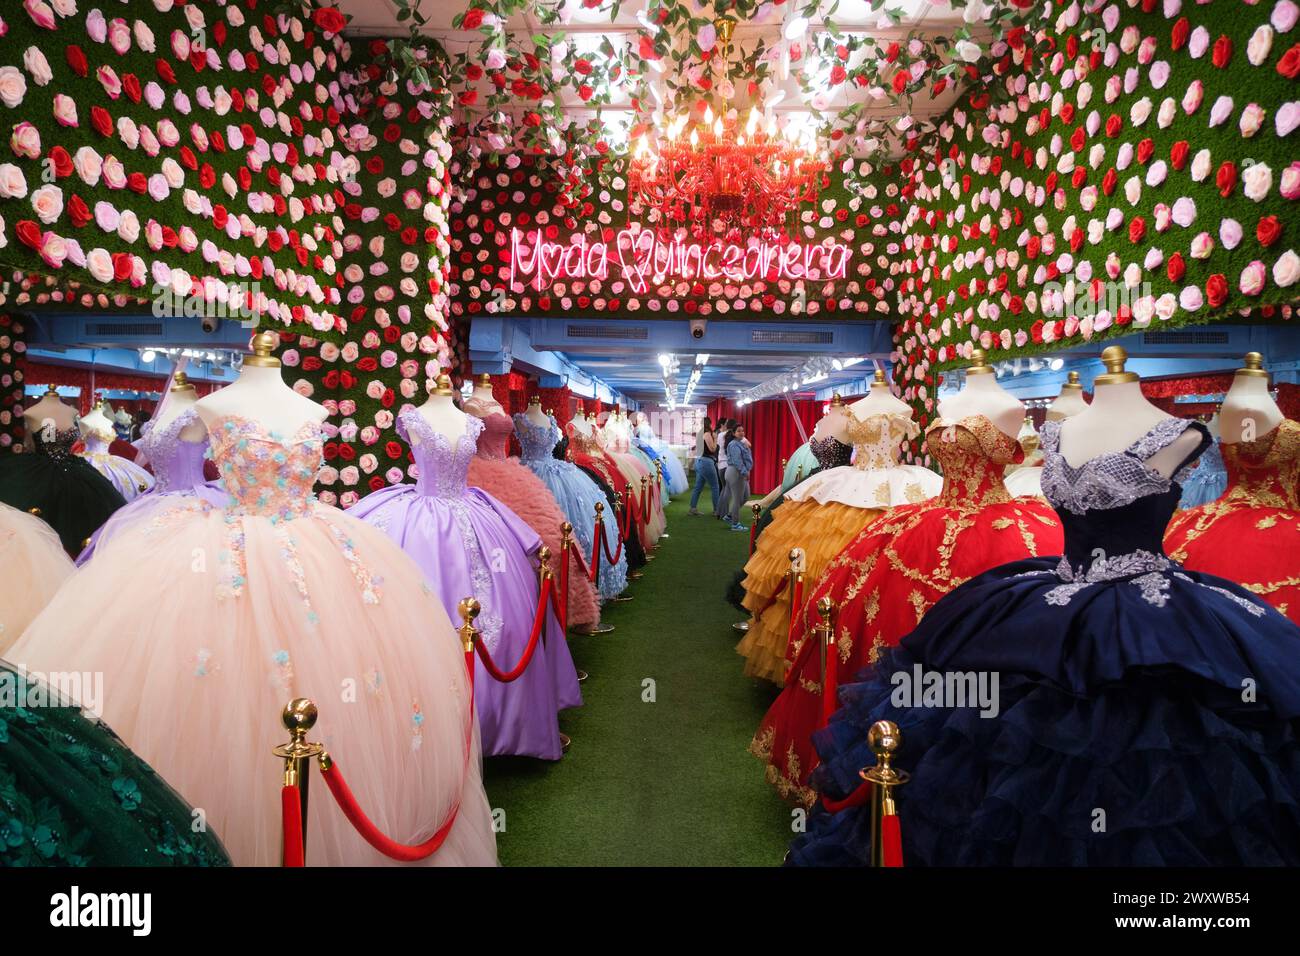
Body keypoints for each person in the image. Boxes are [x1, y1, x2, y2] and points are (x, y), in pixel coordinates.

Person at [722, 424, 753, 531]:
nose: (741, 433)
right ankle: (735, 524)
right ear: (734, 433)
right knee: (737, 499)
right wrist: (745, 472)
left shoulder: (740, 443)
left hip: (738, 472)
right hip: (736, 472)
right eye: (739, 431)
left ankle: (730, 515)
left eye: (742, 431)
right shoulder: (734, 445)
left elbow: (747, 457)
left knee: (745, 497)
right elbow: (737, 461)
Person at [688, 418, 720, 516]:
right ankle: (716, 510)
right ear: (710, 423)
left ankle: (693, 508)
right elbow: (712, 449)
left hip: (700, 461)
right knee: (715, 486)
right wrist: (715, 439)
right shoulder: (707, 434)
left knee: (698, 487)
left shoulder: (700, 433)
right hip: (706, 461)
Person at [715, 418, 732, 520]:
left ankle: (719, 511)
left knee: (724, 489)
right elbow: (748, 444)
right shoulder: (730, 435)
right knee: (727, 490)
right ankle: (723, 513)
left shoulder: (720, 435)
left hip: (720, 465)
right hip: (727, 465)